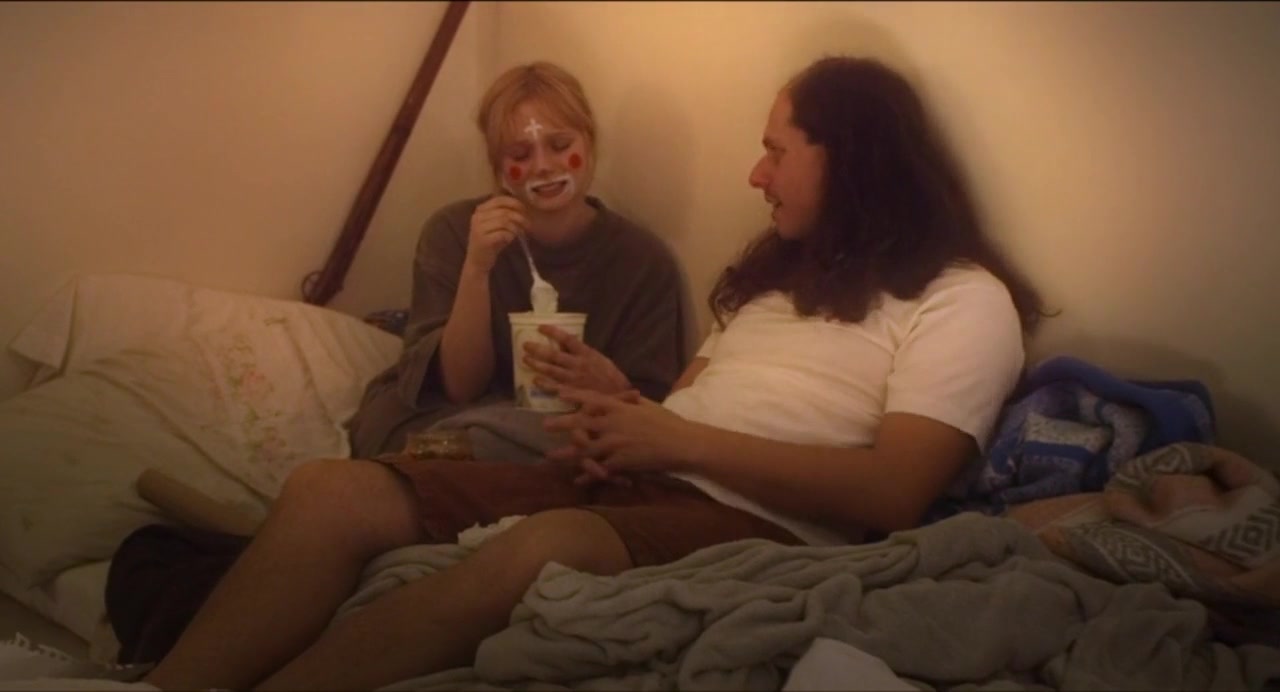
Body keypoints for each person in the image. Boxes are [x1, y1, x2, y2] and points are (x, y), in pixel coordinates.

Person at [141, 55, 1047, 691]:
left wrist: (675, 439)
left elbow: (893, 491)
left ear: (851, 157)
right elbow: (686, 406)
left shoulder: (964, 300)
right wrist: (621, 404)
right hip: (644, 480)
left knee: (544, 549)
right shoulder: (772, 284)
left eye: (777, 149)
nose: (755, 173)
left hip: (759, 525)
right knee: (330, 491)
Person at [347, 61, 686, 459]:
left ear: (589, 144)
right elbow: (459, 387)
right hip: (449, 417)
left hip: (565, 429)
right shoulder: (453, 231)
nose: (542, 166)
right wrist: (477, 269)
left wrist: (609, 386)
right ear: (498, 169)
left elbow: (654, 419)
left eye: (560, 145)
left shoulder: (643, 261)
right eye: (520, 154)